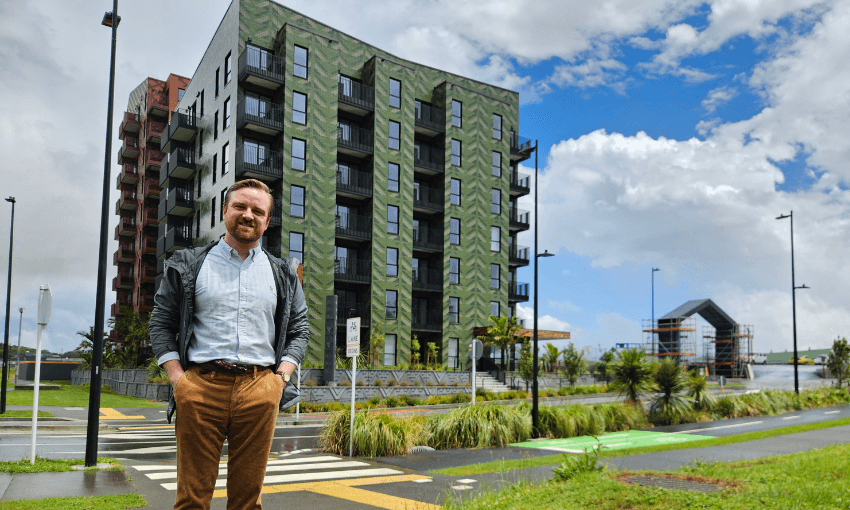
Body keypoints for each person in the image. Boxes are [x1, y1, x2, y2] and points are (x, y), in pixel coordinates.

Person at [150, 178, 308, 510]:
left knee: (246, 502)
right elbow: (161, 322)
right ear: (225, 211)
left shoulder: (283, 273)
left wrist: (281, 378)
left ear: (267, 220)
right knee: (192, 500)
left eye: (258, 210)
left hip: (260, 387)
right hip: (200, 386)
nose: (248, 215)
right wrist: (180, 380)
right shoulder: (189, 264)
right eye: (240, 206)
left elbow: (299, 328)